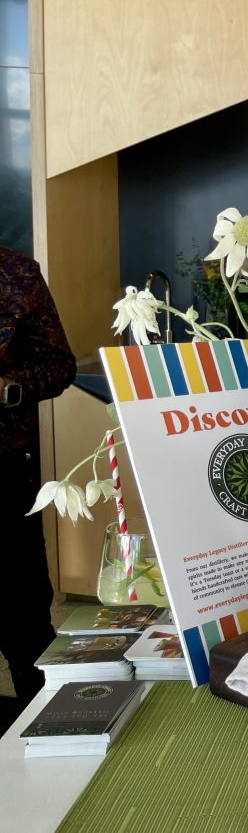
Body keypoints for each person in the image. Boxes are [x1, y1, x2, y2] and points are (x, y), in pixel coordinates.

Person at [0, 246, 75, 730]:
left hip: (7, 469)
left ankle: (55, 735)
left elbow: (60, 366)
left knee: (25, 619)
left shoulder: (17, 272)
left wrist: (9, 388)